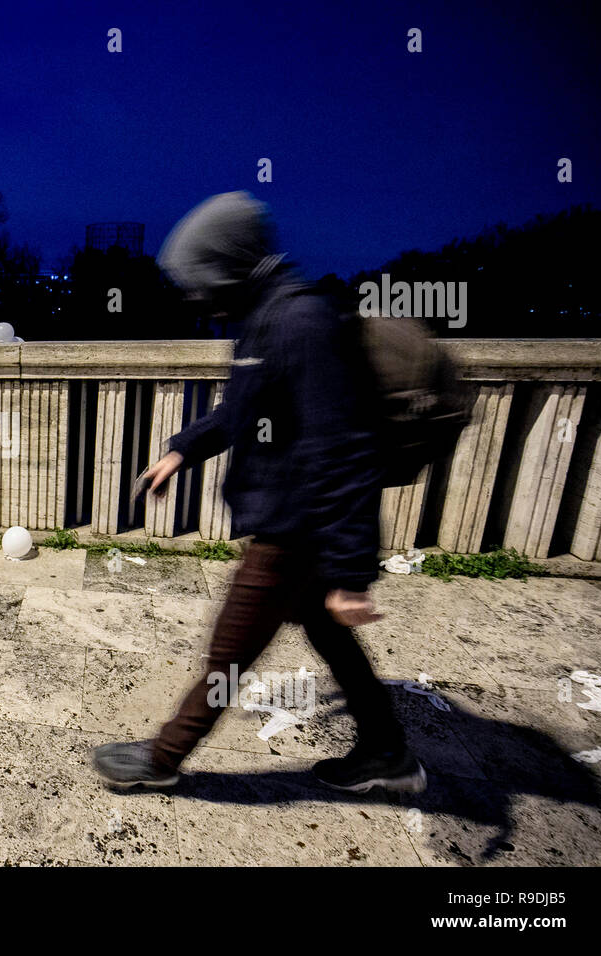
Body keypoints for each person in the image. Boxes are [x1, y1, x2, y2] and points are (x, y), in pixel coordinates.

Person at [91, 191, 426, 794]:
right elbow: (243, 410)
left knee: (227, 656)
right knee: (330, 639)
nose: (197, 298)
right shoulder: (264, 319)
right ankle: (386, 750)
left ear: (230, 267)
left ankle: (162, 760)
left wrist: (352, 572)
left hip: (293, 531)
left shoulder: (301, 322)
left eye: (201, 283)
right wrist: (181, 449)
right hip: (297, 527)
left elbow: (343, 447)